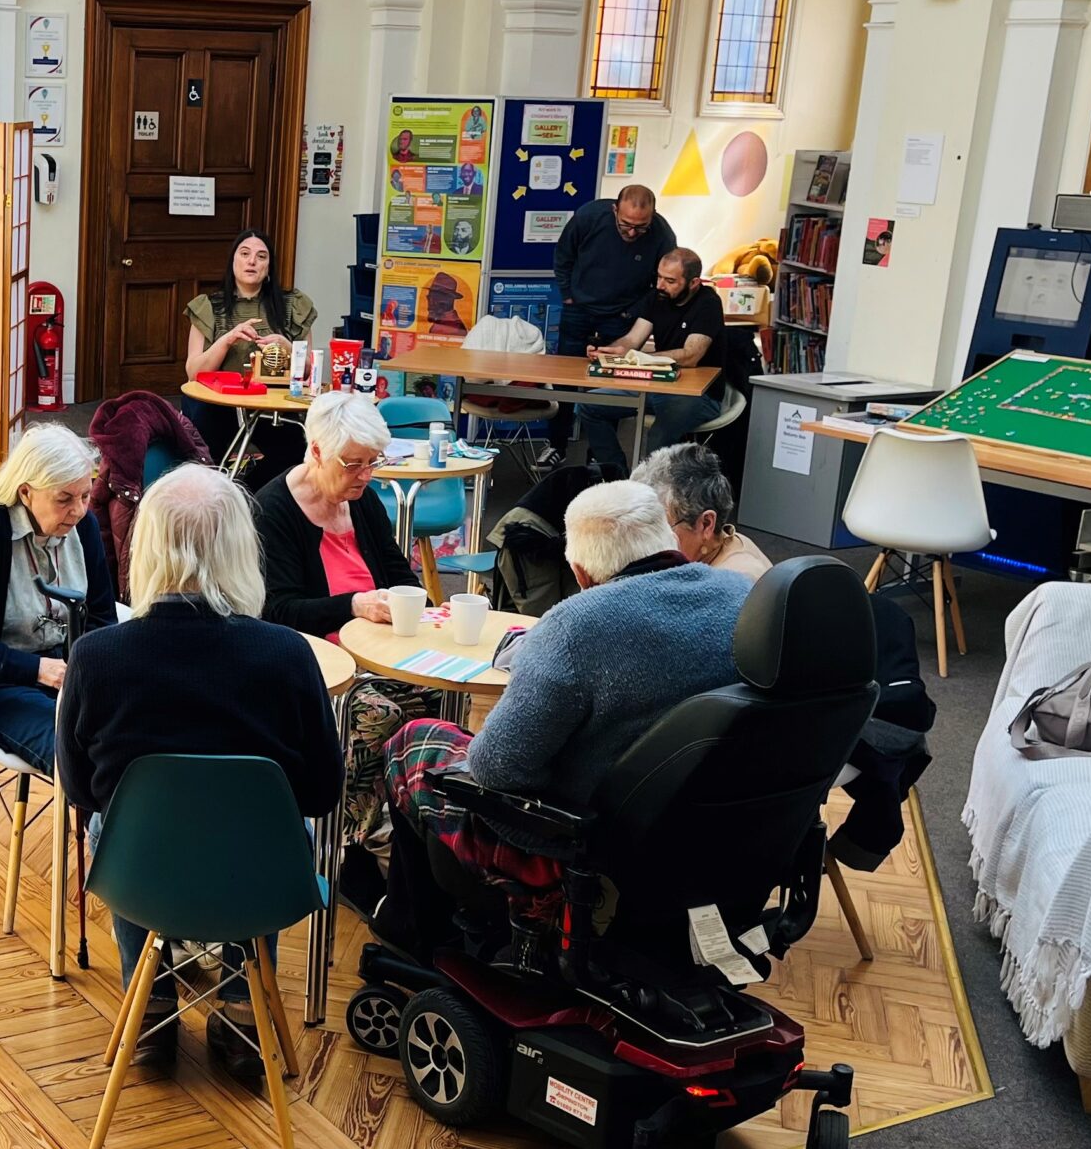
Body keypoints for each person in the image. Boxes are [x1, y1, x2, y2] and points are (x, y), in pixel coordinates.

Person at [383, 482, 749, 961]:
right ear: (666, 537)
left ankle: (420, 936)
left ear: (579, 571)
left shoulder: (576, 624)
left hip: (582, 848)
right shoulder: (743, 596)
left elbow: (497, 770)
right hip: (706, 837)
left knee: (415, 741)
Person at [56, 467, 341, 1077]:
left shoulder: (96, 656)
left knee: (118, 824)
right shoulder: (287, 654)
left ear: (148, 548)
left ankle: (151, 1007)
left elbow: (79, 790)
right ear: (242, 550)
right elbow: (322, 791)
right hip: (257, 878)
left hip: (140, 876)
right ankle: (241, 1011)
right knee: (275, 829)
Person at [254, 390, 425, 859]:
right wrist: (353, 604)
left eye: (373, 462)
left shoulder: (363, 500)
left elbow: (398, 571)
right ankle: (346, 848)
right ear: (315, 451)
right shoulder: (273, 510)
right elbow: (278, 611)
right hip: (316, 666)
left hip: (377, 648)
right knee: (378, 716)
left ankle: (412, 838)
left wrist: (413, 601)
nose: (365, 476)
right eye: (352, 464)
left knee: (438, 699)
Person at [0, 423, 115, 776]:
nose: (78, 511)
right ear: (26, 492)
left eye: (85, 496)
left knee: (134, 739)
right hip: (5, 681)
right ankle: (100, 832)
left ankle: (107, 831)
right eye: (64, 499)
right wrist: (38, 670)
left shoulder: (83, 526)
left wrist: (87, 672)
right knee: (83, 758)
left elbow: (102, 615)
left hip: (73, 674)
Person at [548, 184, 676, 452]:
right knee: (565, 380)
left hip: (622, 316)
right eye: (626, 224)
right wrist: (568, 295)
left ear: (652, 216)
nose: (632, 233)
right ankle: (556, 446)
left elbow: (660, 285)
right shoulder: (588, 217)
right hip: (579, 309)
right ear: (614, 210)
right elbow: (563, 255)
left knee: (612, 386)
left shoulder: (663, 235)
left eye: (641, 227)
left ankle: (599, 457)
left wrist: (633, 312)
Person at [183, 231, 318, 482]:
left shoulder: (294, 305)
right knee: (201, 459)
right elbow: (194, 372)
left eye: (261, 256)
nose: (252, 261)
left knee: (300, 457)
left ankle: (249, 490)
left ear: (269, 267)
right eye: (244, 254)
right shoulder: (208, 306)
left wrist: (288, 347)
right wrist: (227, 339)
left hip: (277, 408)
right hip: (220, 406)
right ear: (233, 262)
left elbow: (312, 373)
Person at [580, 247, 728, 475]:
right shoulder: (657, 297)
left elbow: (691, 355)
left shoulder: (708, 303)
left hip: (698, 395)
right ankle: (616, 476)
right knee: (589, 405)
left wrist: (641, 359)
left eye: (670, 281)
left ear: (694, 282)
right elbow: (632, 339)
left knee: (658, 435)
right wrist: (611, 352)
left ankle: (648, 493)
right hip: (658, 384)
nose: (660, 285)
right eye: (659, 277)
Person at [633, 442, 773, 582]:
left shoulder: (731, 583)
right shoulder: (720, 547)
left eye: (661, 529)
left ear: (706, 524)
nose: (647, 544)